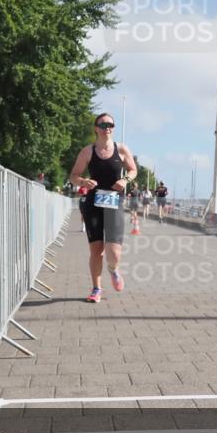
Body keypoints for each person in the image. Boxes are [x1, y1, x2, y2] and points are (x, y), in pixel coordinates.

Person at [68, 113, 137, 302]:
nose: (108, 128)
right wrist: (83, 181)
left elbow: (133, 170)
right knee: (96, 250)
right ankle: (96, 288)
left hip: (114, 202)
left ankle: (113, 270)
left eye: (111, 125)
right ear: (96, 128)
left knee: (114, 253)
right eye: (104, 124)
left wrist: (125, 180)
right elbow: (73, 176)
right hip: (93, 203)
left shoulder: (121, 149)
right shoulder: (87, 151)